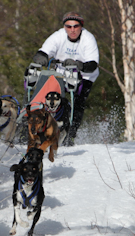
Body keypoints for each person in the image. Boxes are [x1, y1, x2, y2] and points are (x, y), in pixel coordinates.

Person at [30, 12, 99, 145]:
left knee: (77, 103)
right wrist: (41, 57)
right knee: (47, 96)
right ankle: (37, 127)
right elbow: (44, 51)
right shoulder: (58, 36)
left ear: (81, 26)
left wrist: (79, 65)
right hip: (61, 74)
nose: (72, 30)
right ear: (64, 27)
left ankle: (71, 135)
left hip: (84, 75)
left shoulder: (88, 38)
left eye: (75, 26)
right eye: (68, 26)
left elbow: (92, 65)